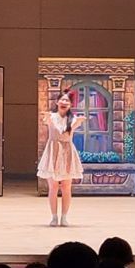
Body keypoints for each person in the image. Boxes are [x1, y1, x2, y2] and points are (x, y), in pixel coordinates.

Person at [37, 89, 86, 227]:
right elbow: (55, 130)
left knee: (66, 187)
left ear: (71, 105)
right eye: (62, 100)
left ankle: (64, 217)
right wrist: (48, 118)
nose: (64, 102)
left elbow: (66, 133)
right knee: (53, 186)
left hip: (67, 151)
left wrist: (78, 121)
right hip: (53, 151)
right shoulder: (51, 117)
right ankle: (54, 217)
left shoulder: (73, 119)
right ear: (57, 102)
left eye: (67, 101)